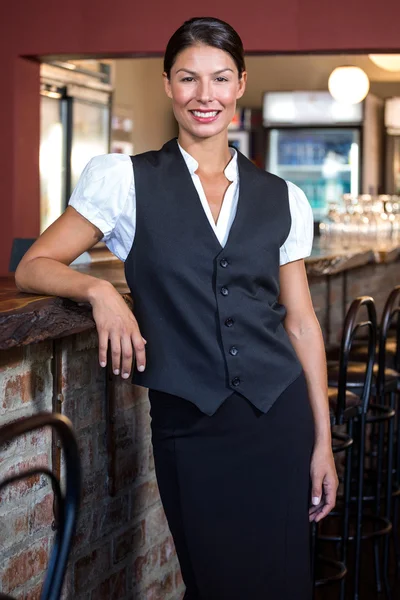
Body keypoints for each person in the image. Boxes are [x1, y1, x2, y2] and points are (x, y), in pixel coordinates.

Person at [16, 17, 338, 600]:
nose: (204, 95)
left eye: (219, 79)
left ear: (241, 83)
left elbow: (300, 323)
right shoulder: (124, 181)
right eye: (188, 79)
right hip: (191, 426)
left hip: (279, 419)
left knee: (286, 583)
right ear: (168, 85)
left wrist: (323, 441)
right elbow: (34, 263)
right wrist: (100, 291)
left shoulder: (283, 197)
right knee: (214, 582)